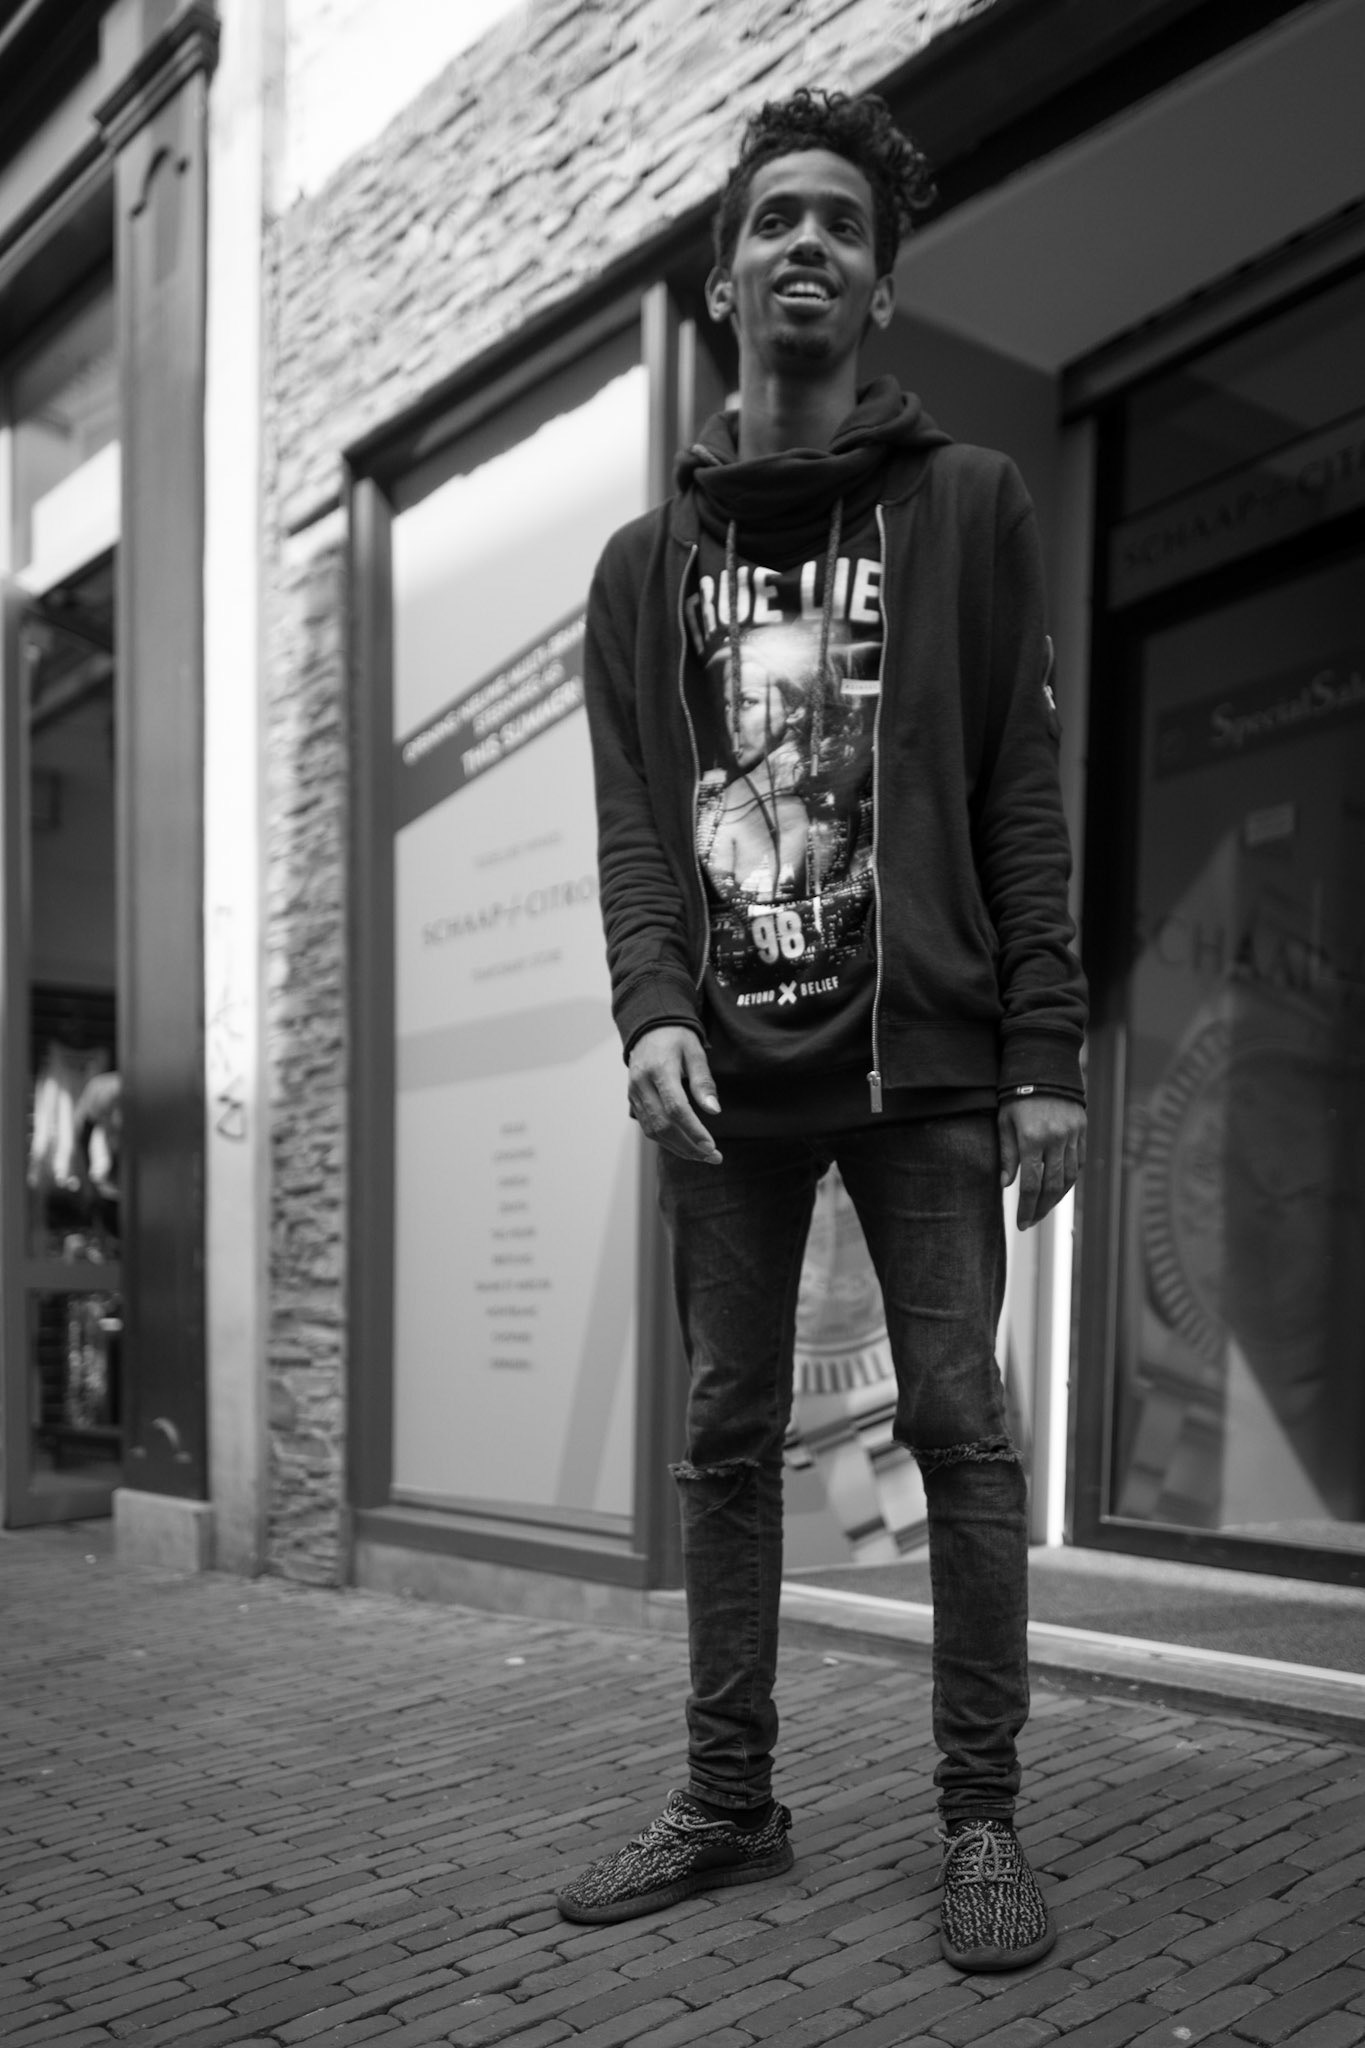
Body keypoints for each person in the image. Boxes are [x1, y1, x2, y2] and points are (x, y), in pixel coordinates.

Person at [557, 86, 1087, 1972]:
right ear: (723, 282)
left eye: (841, 226)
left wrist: (1045, 1052)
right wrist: (648, 1010)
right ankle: (730, 1806)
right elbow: (635, 831)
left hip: (923, 1058)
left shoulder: (966, 506)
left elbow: (1017, 792)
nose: (807, 243)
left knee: (958, 1432)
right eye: (775, 218)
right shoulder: (641, 572)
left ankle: (981, 1822)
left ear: (878, 290)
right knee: (725, 1441)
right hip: (729, 1079)